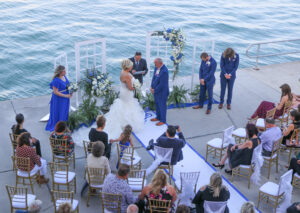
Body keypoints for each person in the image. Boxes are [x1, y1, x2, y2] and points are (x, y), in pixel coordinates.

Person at [103, 59, 144, 139]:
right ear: (128, 67)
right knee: (128, 106)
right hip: (127, 93)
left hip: (123, 91)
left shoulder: (122, 72)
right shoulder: (128, 76)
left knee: (123, 105)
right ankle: (126, 123)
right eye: (131, 65)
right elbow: (130, 88)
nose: (132, 66)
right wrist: (136, 86)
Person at [46, 65, 72, 131]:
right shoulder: (56, 81)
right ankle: (59, 126)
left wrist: (71, 90)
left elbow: (67, 85)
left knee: (64, 111)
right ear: (60, 72)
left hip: (65, 98)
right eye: (64, 71)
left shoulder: (64, 77)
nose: (65, 71)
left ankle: (63, 125)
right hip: (59, 99)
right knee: (59, 112)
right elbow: (55, 92)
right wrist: (66, 96)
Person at [150, 58, 170, 126]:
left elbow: (162, 84)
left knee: (162, 106)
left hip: (162, 92)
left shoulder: (164, 71)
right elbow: (154, 77)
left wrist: (155, 90)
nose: (154, 65)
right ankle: (158, 117)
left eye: (155, 63)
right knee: (157, 105)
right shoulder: (157, 68)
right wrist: (152, 87)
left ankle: (163, 120)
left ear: (160, 63)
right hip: (156, 91)